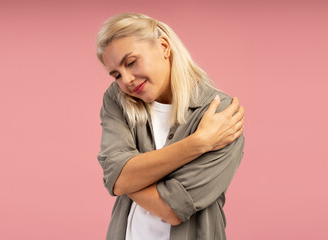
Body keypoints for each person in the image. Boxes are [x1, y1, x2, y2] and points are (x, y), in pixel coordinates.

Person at [96, 12, 245, 240]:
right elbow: (115, 177)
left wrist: (127, 176)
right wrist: (198, 143)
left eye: (131, 62)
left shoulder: (221, 114)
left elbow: (173, 209)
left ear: (164, 46)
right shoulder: (117, 99)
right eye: (116, 74)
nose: (125, 80)